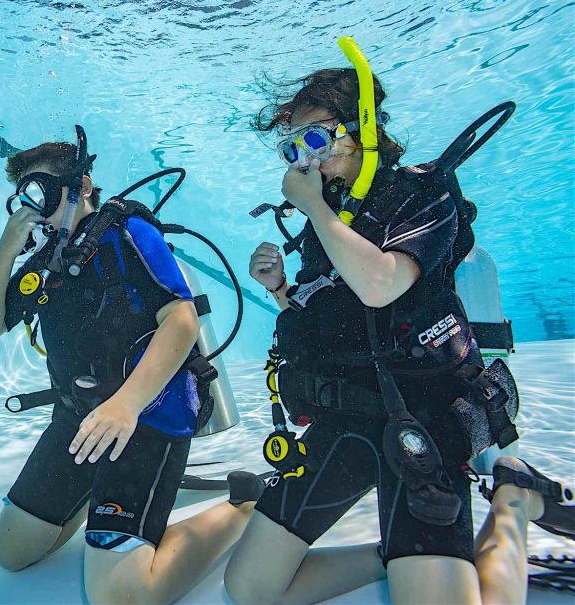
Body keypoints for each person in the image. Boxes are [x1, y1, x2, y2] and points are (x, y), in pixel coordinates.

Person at [224, 64, 574, 604]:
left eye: (315, 138)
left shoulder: (421, 195)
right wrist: (277, 289)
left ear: (362, 129)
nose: (306, 159)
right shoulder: (331, 215)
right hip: (349, 417)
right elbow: (331, 318)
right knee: (249, 588)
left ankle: (514, 499)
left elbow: (381, 286)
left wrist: (314, 208)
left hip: (423, 418)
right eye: (292, 148)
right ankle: (401, 555)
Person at [0, 136, 262, 604]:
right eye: (23, 197)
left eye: (41, 192)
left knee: (120, 597)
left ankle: (244, 506)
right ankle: (102, 492)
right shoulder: (46, 264)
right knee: (9, 551)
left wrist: (125, 405)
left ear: (82, 186)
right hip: (81, 421)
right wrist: (7, 246)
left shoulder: (126, 232)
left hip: (147, 417)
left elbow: (181, 318)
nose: (33, 209)